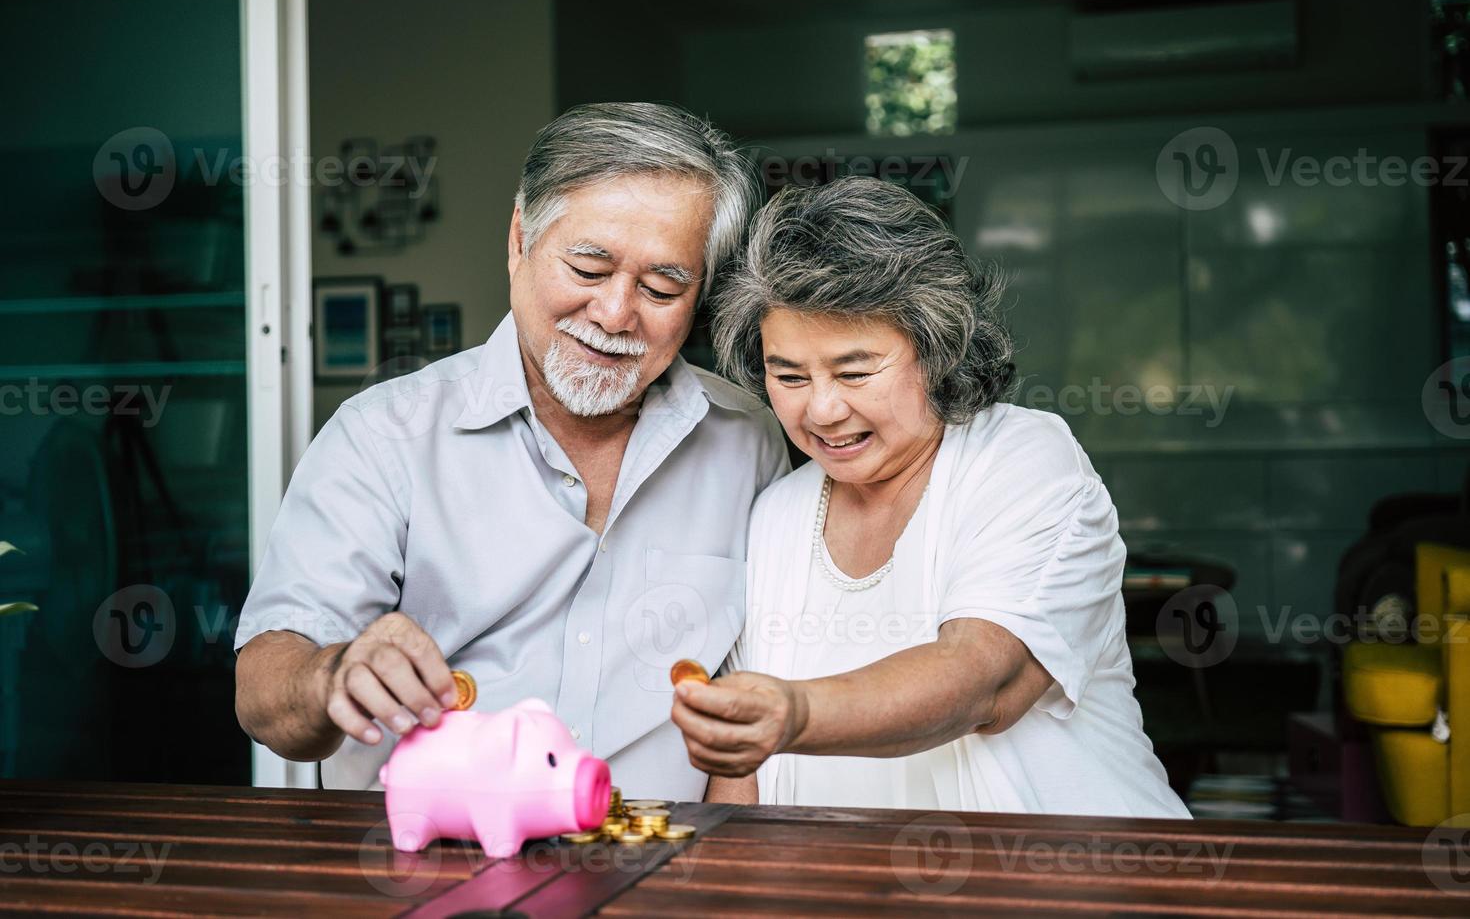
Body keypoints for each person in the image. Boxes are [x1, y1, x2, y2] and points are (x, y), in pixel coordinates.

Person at [234, 103, 788, 799]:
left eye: (661, 287)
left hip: (665, 865)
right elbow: (263, 692)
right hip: (424, 878)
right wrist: (333, 673)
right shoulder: (383, 436)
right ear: (519, 240)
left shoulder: (748, 439)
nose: (616, 314)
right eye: (588, 267)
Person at [672, 176, 1189, 817]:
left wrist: (792, 710)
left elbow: (981, 681)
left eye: (855, 371)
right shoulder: (777, 513)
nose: (823, 408)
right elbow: (743, 777)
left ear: (935, 350)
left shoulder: (1022, 459)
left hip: (1068, 885)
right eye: (789, 375)